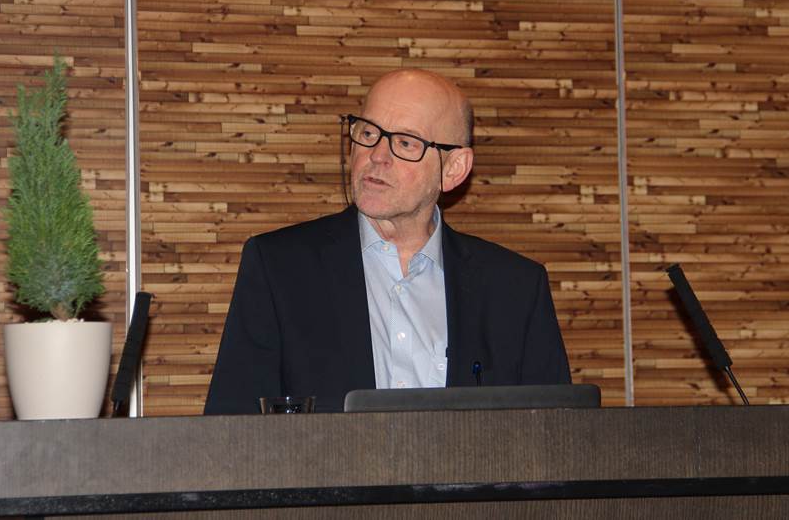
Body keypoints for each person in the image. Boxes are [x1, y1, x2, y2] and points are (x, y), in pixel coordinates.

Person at [204, 69, 571, 414]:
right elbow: (232, 434)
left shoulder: (515, 290)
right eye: (368, 133)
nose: (377, 156)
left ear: (454, 169)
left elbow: (555, 439)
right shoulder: (280, 270)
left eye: (405, 143)